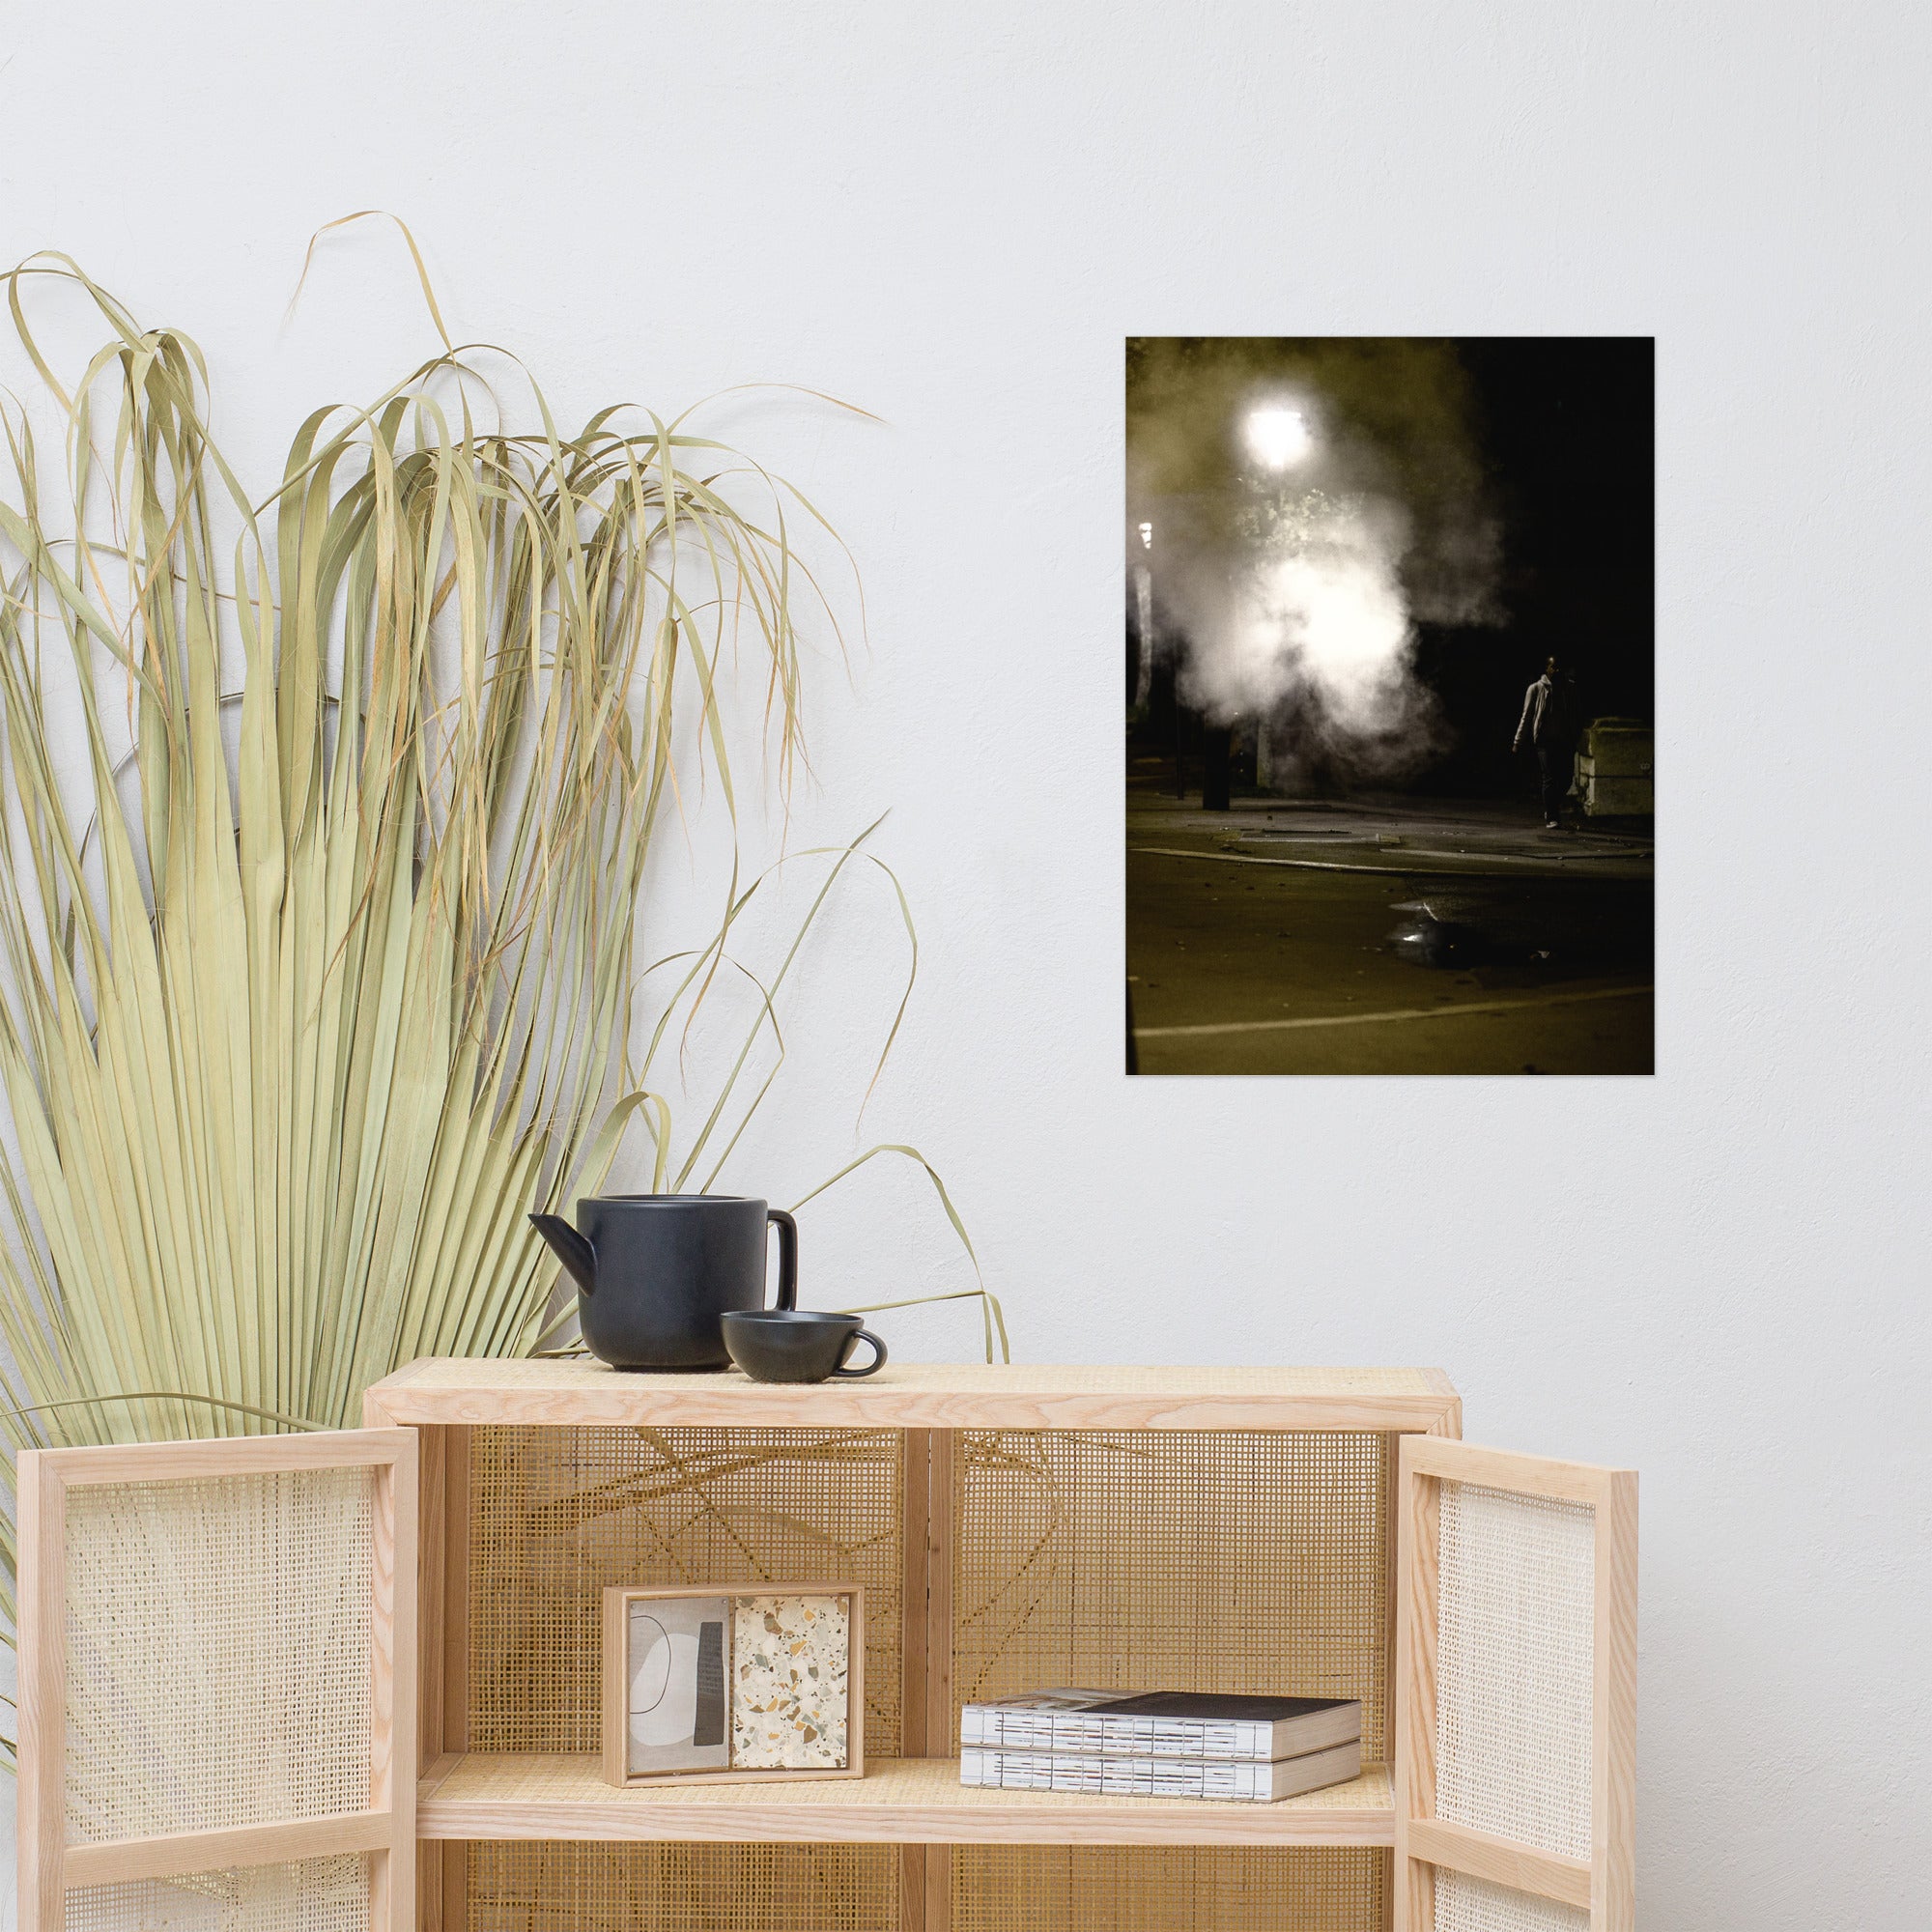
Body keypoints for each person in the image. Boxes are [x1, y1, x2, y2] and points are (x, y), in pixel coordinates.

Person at [1514, 656, 1580, 829]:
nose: (1557, 671)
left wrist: (1575, 737)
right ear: (1547, 669)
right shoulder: (1535, 689)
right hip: (1544, 741)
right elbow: (1527, 716)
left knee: (1566, 777)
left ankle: (1552, 806)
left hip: (1565, 740)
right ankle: (1552, 816)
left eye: (1560, 667)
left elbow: (1575, 715)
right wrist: (1518, 740)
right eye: (1553, 667)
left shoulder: (1570, 688)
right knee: (1549, 777)